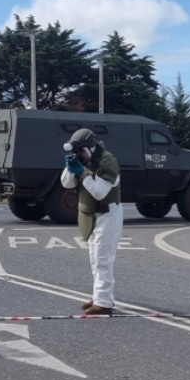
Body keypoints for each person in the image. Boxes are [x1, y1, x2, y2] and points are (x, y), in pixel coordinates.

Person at [61, 128, 122, 316]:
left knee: (103, 259)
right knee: (94, 259)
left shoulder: (108, 161)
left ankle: (104, 303)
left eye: (80, 151)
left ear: (91, 148)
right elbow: (66, 184)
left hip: (107, 214)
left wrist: (83, 174)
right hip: (90, 215)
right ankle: (99, 297)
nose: (79, 155)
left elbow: (100, 192)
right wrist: (71, 169)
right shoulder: (83, 159)